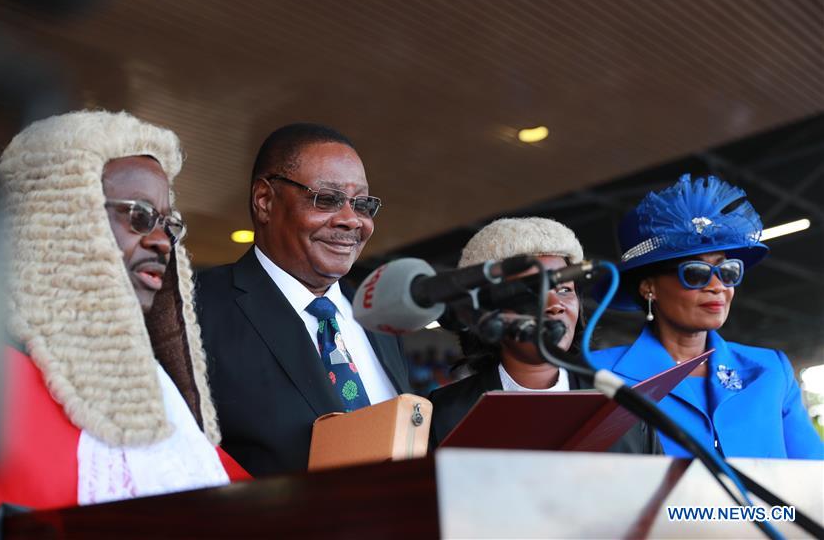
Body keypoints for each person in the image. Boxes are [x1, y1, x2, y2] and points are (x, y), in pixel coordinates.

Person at [0, 111, 248, 532]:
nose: (161, 241)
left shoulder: (157, 387)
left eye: (169, 224)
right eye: (139, 216)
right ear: (58, 222)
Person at [197, 123, 411, 477]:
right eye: (327, 199)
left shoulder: (377, 316)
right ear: (264, 201)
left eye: (362, 204)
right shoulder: (195, 308)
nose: (350, 220)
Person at [590, 174, 823, 459]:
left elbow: (813, 475)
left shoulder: (771, 370)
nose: (718, 286)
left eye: (728, 272)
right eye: (695, 273)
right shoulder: (599, 375)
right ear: (649, 287)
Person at [428, 217, 662, 454]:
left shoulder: (621, 406)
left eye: (564, 290)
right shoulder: (443, 413)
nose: (556, 305)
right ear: (487, 311)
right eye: (533, 292)